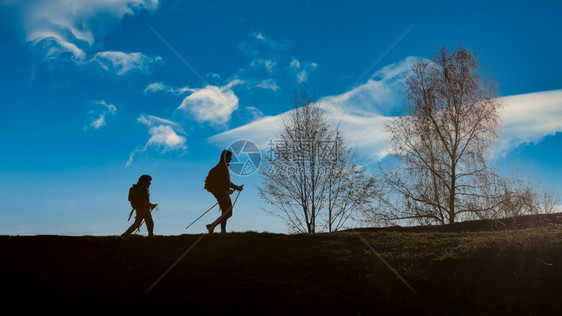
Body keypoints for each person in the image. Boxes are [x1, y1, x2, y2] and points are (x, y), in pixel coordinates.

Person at [205, 150, 243, 234]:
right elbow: (226, 182)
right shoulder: (222, 168)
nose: (230, 159)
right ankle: (212, 226)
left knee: (225, 212)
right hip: (221, 193)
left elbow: (225, 182)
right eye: (229, 157)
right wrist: (236, 188)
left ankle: (222, 231)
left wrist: (232, 189)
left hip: (221, 192)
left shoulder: (221, 167)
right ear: (225, 158)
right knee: (228, 213)